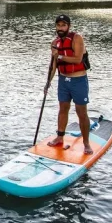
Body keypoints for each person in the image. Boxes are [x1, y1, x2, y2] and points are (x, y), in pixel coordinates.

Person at [43, 14, 92, 154]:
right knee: (62, 108)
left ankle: (86, 143)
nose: (60, 28)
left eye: (63, 25)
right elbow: (53, 66)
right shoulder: (54, 43)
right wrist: (48, 83)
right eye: (58, 25)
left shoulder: (77, 38)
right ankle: (59, 137)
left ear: (68, 26)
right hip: (63, 80)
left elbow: (77, 59)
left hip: (78, 80)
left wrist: (59, 56)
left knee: (81, 112)